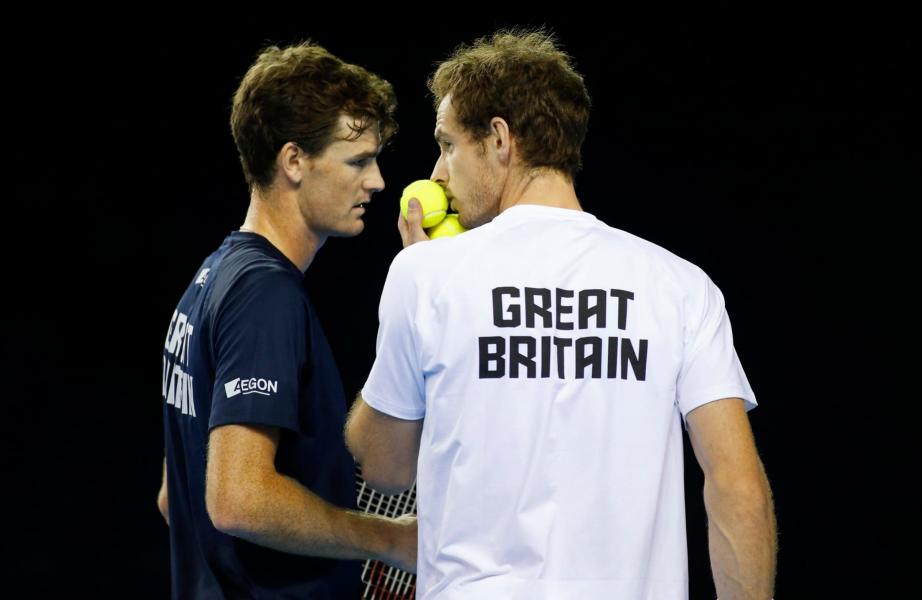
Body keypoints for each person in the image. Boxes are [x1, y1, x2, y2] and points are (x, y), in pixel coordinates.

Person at [345, 29, 776, 599]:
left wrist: (414, 292)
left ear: (499, 139)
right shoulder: (679, 285)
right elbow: (735, 484)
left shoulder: (425, 274)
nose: (440, 174)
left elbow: (384, 467)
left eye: (448, 145)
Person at [157, 42, 416, 599]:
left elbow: (173, 496)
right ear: (293, 160)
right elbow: (236, 499)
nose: (376, 182)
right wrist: (389, 539)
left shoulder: (213, 276)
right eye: (357, 160)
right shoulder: (264, 294)